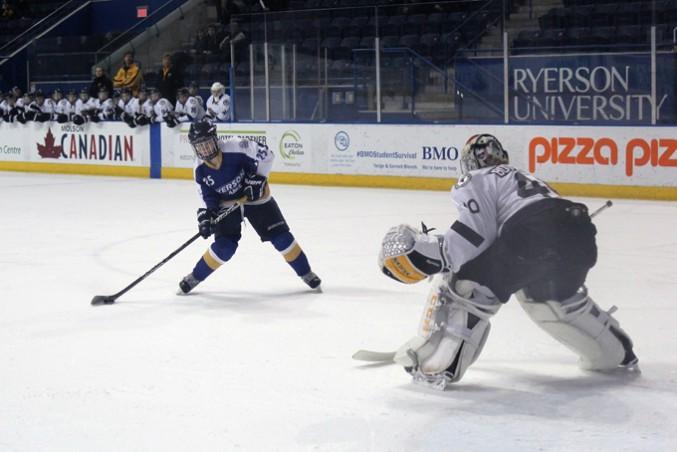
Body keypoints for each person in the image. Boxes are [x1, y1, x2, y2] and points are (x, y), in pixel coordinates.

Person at [378, 134, 638, 389]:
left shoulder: (475, 178)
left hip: (532, 234)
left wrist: (441, 254)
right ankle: (616, 353)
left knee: (467, 284)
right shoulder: (524, 177)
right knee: (551, 300)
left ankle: (436, 365)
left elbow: (477, 233)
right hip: (579, 235)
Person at [177, 120, 321, 294]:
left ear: (215, 139)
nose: (205, 150)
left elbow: (268, 154)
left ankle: (306, 273)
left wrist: (258, 180)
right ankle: (195, 276)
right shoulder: (199, 169)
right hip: (228, 204)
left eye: (207, 143)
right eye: (200, 146)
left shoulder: (237, 146)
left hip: (255, 198)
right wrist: (208, 216)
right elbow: (207, 197)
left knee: (281, 237)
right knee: (224, 247)